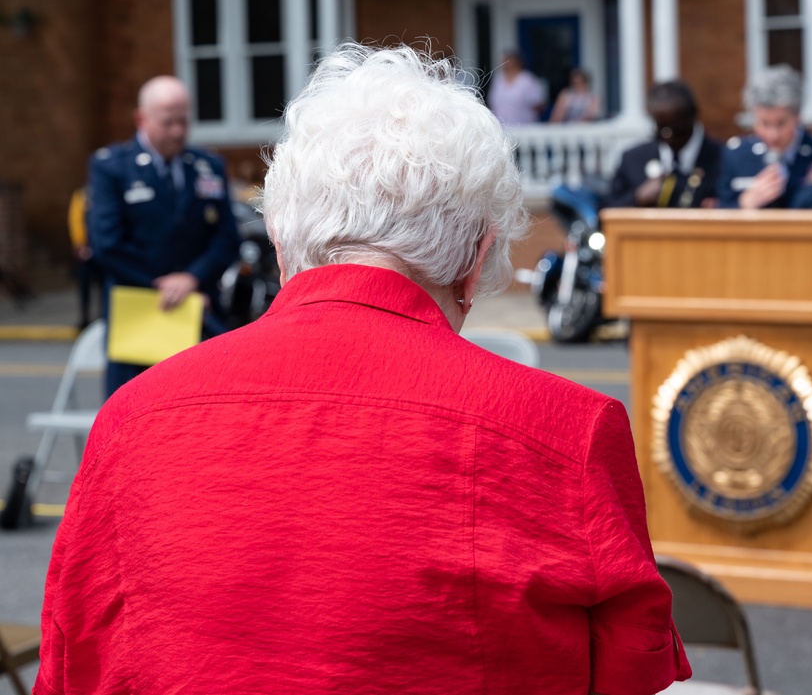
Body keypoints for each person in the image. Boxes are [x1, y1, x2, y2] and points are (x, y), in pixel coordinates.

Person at [37, 43, 691, 695]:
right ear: (477, 256)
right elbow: (628, 671)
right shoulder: (569, 430)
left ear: (282, 243)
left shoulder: (129, 420)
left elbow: (71, 665)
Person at [87, 76, 240, 397]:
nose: (177, 131)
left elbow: (226, 236)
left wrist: (191, 278)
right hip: (140, 317)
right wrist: (165, 282)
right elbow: (107, 243)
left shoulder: (207, 166)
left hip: (199, 312)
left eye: (183, 121)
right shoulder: (112, 168)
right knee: (132, 414)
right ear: (141, 119)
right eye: (168, 122)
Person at [717, 64, 812, 209]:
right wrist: (744, 204)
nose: (773, 134)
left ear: (798, 116)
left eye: (781, 123)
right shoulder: (736, 155)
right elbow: (717, 214)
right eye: (765, 123)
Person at [603, 80, 722, 209]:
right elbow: (605, 212)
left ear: (692, 116)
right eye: (661, 130)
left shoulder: (722, 158)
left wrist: (722, 208)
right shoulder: (633, 159)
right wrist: (637, 198)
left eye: (677, 129)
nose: (669, 137)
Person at [66, 186, 103, 330]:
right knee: (84, 286)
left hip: (104, 250)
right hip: (86, 250)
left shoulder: (108, 192)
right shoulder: (83, 194)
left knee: (105, 286)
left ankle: (104, 316)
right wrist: (80, 244)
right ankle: (85, 317)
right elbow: (75, 220)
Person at [486, 49, 546, 125]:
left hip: (525, 128)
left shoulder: (527, 79)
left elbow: (539, 104)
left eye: (507, 61)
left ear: (517, 62)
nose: (504, 64)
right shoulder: (498, 79)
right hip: (502, 127)